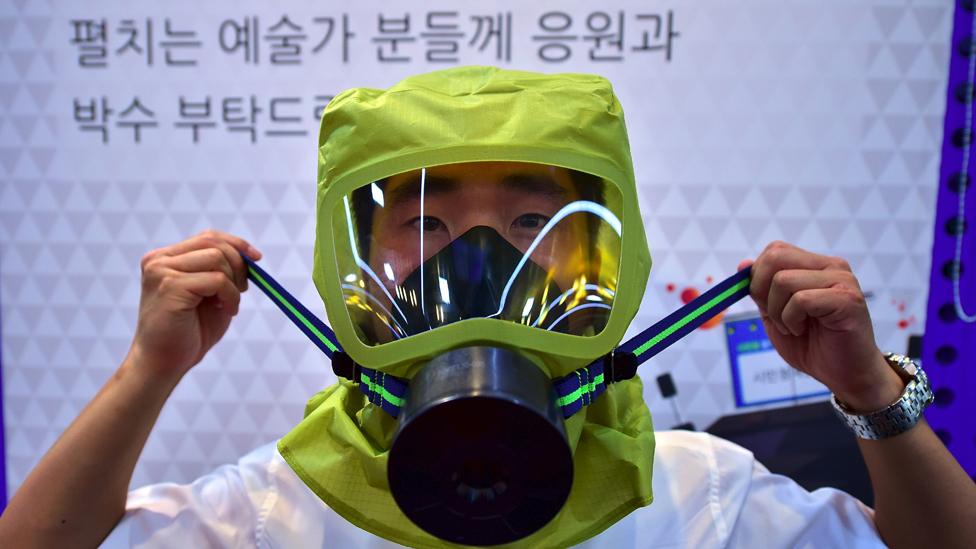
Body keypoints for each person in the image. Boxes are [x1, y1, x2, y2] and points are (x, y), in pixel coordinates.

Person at [1, 67, 974, 548]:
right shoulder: (279, 509)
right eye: (422, 222)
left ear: (602, 244)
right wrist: (148, 370)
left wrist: (867, 392)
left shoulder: (696, 500)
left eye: (528, 216)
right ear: (357, 251)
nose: (479, 257)